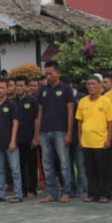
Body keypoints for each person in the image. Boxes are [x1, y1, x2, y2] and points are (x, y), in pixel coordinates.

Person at [37, 61, 77, 203]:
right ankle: (51, 193)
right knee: (47, 164)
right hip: (45, 131)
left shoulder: (66, 89)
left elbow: (70, 111)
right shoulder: (43, 90)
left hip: (61, 131)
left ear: (57, 72)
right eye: (46, 74)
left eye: (51, 73)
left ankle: (67, 192)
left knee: (64, 163)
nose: (48, 76)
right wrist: (37, 134)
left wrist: (69, 132)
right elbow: (40, 113)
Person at [75, 74, 112, 203]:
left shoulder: (106, 101)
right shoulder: (83, 101)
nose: (91, 87)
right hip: (86, 141)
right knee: (90, 170)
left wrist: (108, 139)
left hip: (101, 141)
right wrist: (80, 138)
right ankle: (93, 194)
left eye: (93, 84)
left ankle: (105, 194)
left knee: (103, 170)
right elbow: (79, 121)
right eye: (89, 84)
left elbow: (110, 122)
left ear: (100, 86)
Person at [13, 77, 41, 199]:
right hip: (16, 139)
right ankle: (22, 189)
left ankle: (32, 189)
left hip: (29, 138)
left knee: (31, 165)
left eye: (21, 85)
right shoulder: (12, 102)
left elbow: (36, 119)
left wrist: (36, 136)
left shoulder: (32, 101)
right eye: (17, 86)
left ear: (26, 87)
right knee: (18, 165)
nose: (18, 88)